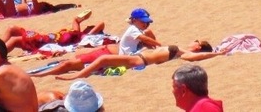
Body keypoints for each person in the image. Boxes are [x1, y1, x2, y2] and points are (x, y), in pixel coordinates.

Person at [31, 8, 159, 78]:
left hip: (108, 54)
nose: (146, 24)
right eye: (144, 21)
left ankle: (43, 73)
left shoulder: (140, 31)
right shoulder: (134, 30)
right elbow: (148, 41)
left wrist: (153, 41)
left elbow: (149, 41)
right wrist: (160, 45)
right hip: (106, 53)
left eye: (147, 22)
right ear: (135, 21)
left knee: (72, 62)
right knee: (70, 63)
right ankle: (41, 74)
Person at [56, 40, 219, 80]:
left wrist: (216, 54)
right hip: (140, 57)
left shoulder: (183, 53)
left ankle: (78, 75)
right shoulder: (179, 52)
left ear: (198, 47)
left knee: (103, 59)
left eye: (197, 41)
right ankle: (79, 71)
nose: (194, 41)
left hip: (140, 60)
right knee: (99, 57)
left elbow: (195, 57)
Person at [1, 10, 103, 53]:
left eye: (90, 27)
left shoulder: (84, 38)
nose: (88, 27)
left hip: (44, 42)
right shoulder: (76, 33)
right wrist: (85, 16)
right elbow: (76, 20)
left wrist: (91, 31)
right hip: (43, 37)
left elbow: (101, 24)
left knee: (15, 40)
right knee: (12, 28)